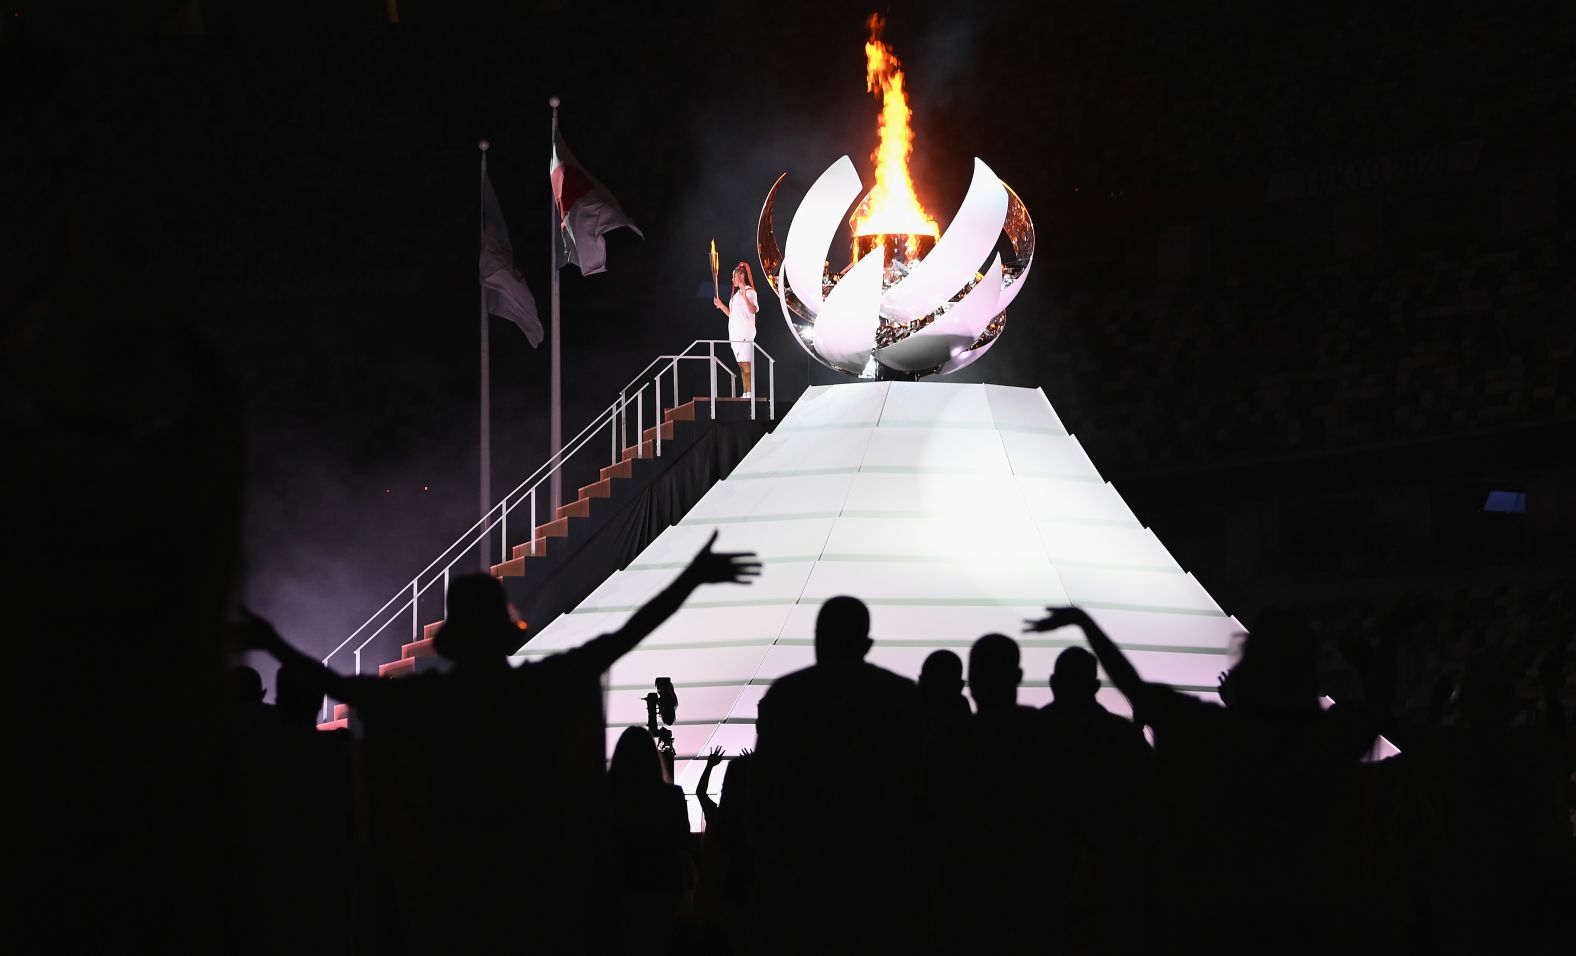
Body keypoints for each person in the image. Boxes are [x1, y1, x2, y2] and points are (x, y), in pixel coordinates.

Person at [712, 261, 759, 398]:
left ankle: (749, 393)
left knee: (746, 365)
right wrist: (721, 305)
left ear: (741, 276)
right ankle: (745, 392)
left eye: (734, 277)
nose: (732, 280)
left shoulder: (750, 292)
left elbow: (753, 310)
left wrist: (745, 296)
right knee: (741, 366)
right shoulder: (735, 296)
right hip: (735, 333)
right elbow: (732, 315)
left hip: (745, 332)